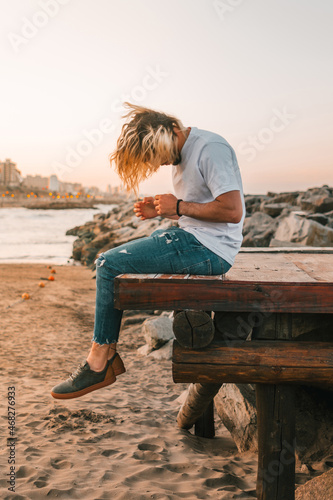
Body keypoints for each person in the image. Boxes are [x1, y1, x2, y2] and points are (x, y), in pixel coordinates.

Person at [51, 103, 245, 399]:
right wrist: (162, 212)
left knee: (106, 263)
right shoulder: (184, 154)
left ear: (168, 133)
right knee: (141, 245)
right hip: (197, 239)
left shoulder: (209, 148)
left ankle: (99, 360)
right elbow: (200, 212)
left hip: (210, 251)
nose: (156, 165)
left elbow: (232, 211)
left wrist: (177, 206)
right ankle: (108, 353)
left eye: (154, 155)